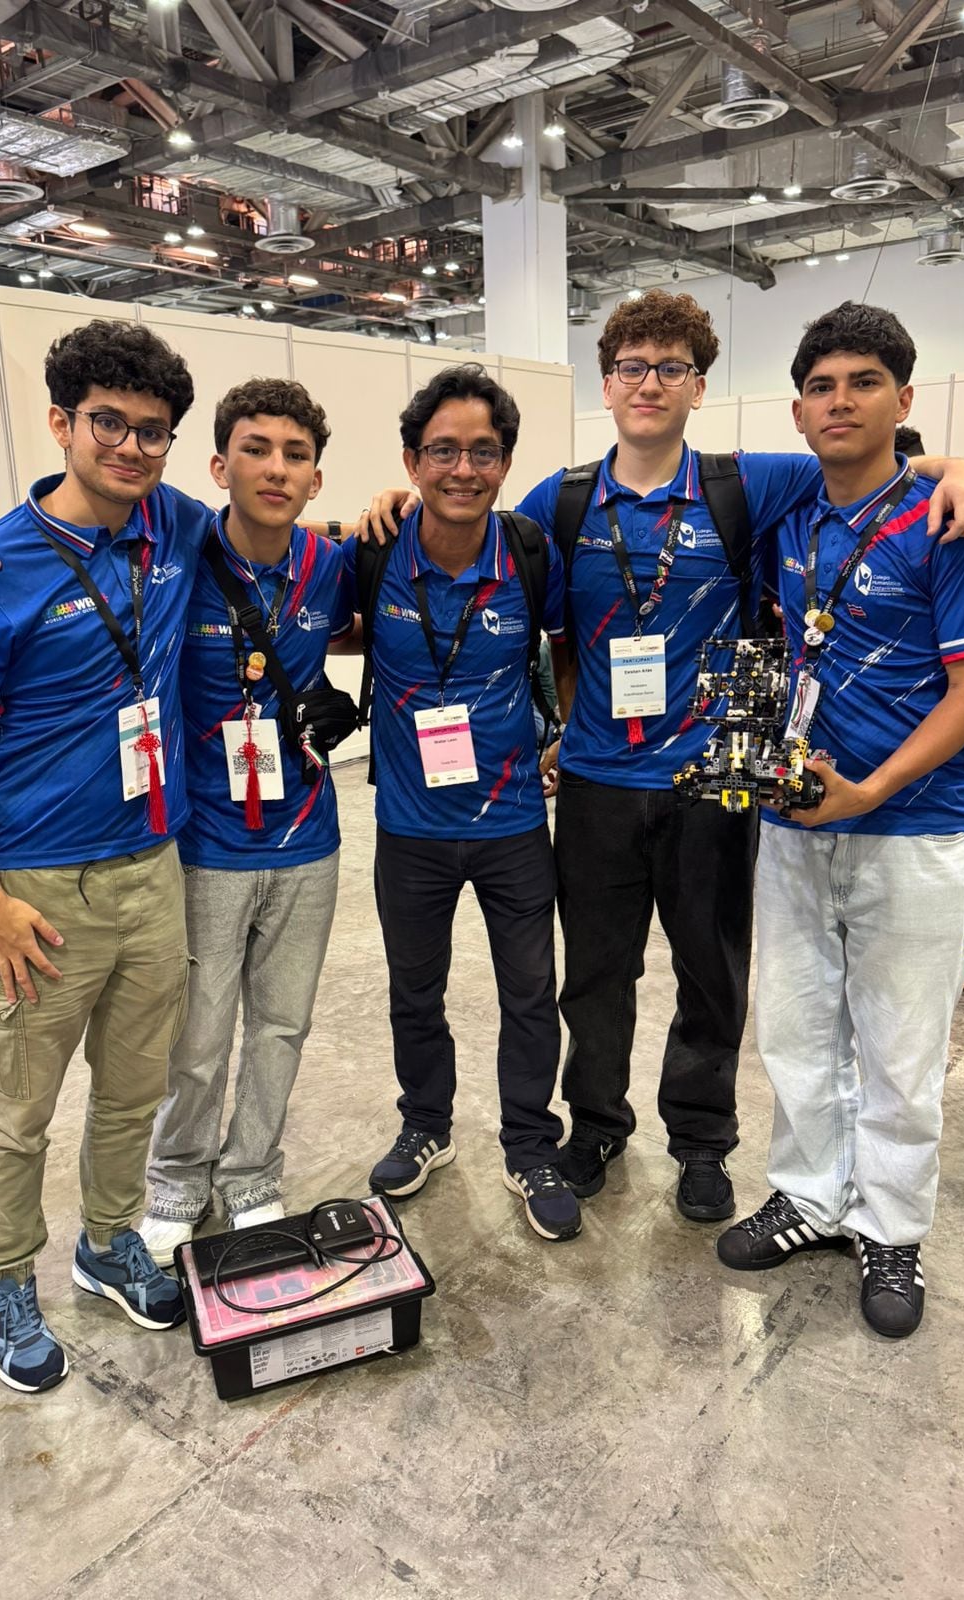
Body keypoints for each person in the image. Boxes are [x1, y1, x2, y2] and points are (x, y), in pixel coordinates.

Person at [362, 292, 964, 1225]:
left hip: (714, 784)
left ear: (699, 386)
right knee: (594, 974)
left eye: (670, 368)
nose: (648, 384)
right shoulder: (559, 504)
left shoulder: (749, 486)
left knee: (711, 973)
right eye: (631, 367)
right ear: (607, 384)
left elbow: (864, 459)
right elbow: (508, 582)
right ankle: (598, 1122)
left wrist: (959, 469)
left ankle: (701, 1141)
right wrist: (391, 497)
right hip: (593, 786)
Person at [716, 302, 964, 1339]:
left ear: (902, 399)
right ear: (799, 409)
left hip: (914, 825)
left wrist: (874, 788)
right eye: (823, 386)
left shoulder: (955, 523)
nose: (840, 401)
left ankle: (892, 1227)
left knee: (899, 1048)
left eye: (862, 382)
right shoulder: (791, 524)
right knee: (799, 1032)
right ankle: (810, 1196)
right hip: (798, 827)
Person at [0, 320, 210, 1393]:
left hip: (153, 871)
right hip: (38, 890)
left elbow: (278, 523)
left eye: (153, 432)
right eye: (110, 424)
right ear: (61, 423)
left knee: (134, 1090)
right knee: (20, 1109)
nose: (131, 449)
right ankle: (7, 1277)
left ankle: (107, 1241)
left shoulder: (175, 531)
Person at [353, 364, 580, 1244]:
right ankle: (427, 1126)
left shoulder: (528, 552)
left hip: (516, 822)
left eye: (483, 452)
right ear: (412, 460)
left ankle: (530, 1144)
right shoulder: (376, 550)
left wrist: (560, 730)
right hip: (408, 829)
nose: (462, 469)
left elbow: (563, 645)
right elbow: (331, 622)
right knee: (417, 990)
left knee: (531, 991)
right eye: (442, 450)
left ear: (505, 460)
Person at [138, 378, 357, 1265]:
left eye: (295, 455)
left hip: (308, 839)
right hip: (205, 845)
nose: (275, 468)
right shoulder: (175, 554)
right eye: (256, 450)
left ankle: (253, 1177)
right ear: (219, 464)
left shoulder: (330, 565)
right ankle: (176, 1182)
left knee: (281, 1023)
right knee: (196, 1032)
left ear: (314, 477)